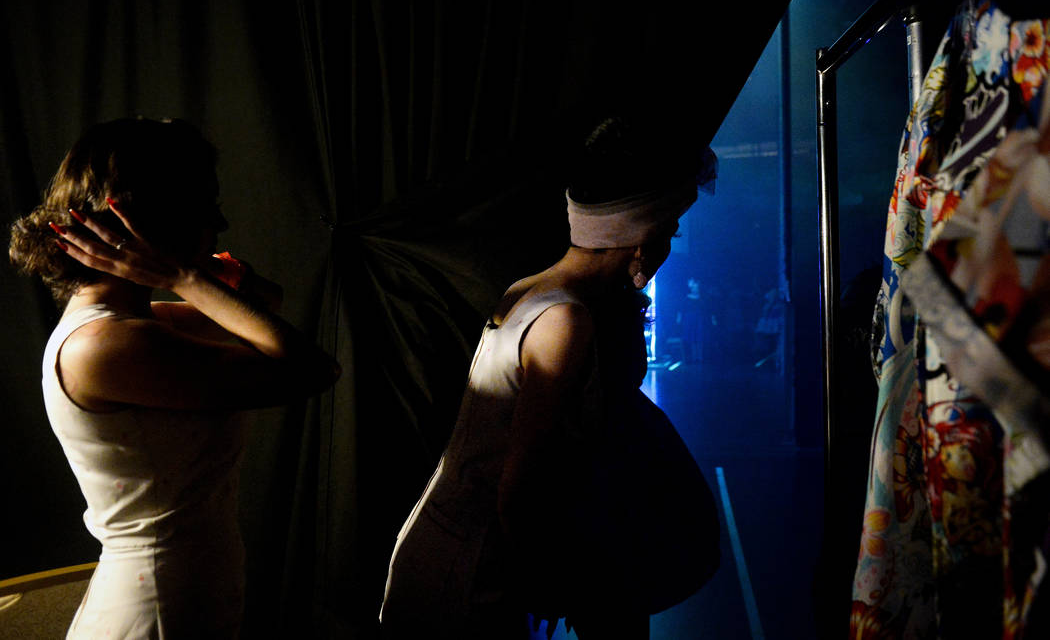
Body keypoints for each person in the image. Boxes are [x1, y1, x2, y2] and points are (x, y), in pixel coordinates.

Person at [379, 116, 720, 639]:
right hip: (467, 572)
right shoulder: (565, 320)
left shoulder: (531, 289)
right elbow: (520, 489)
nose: (667, 245)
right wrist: (567, 584)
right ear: (643, 238)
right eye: (669, 229)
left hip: (446, 549)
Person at [7, 117, 341, 638]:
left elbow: (261, 307)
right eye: (205, 205)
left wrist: (198, 274)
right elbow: (313, 369)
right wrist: (179, 276)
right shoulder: (108, 346)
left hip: (187, 595)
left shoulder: (134, 326)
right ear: (151, 219)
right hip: (157, 610)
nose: (221, 222)